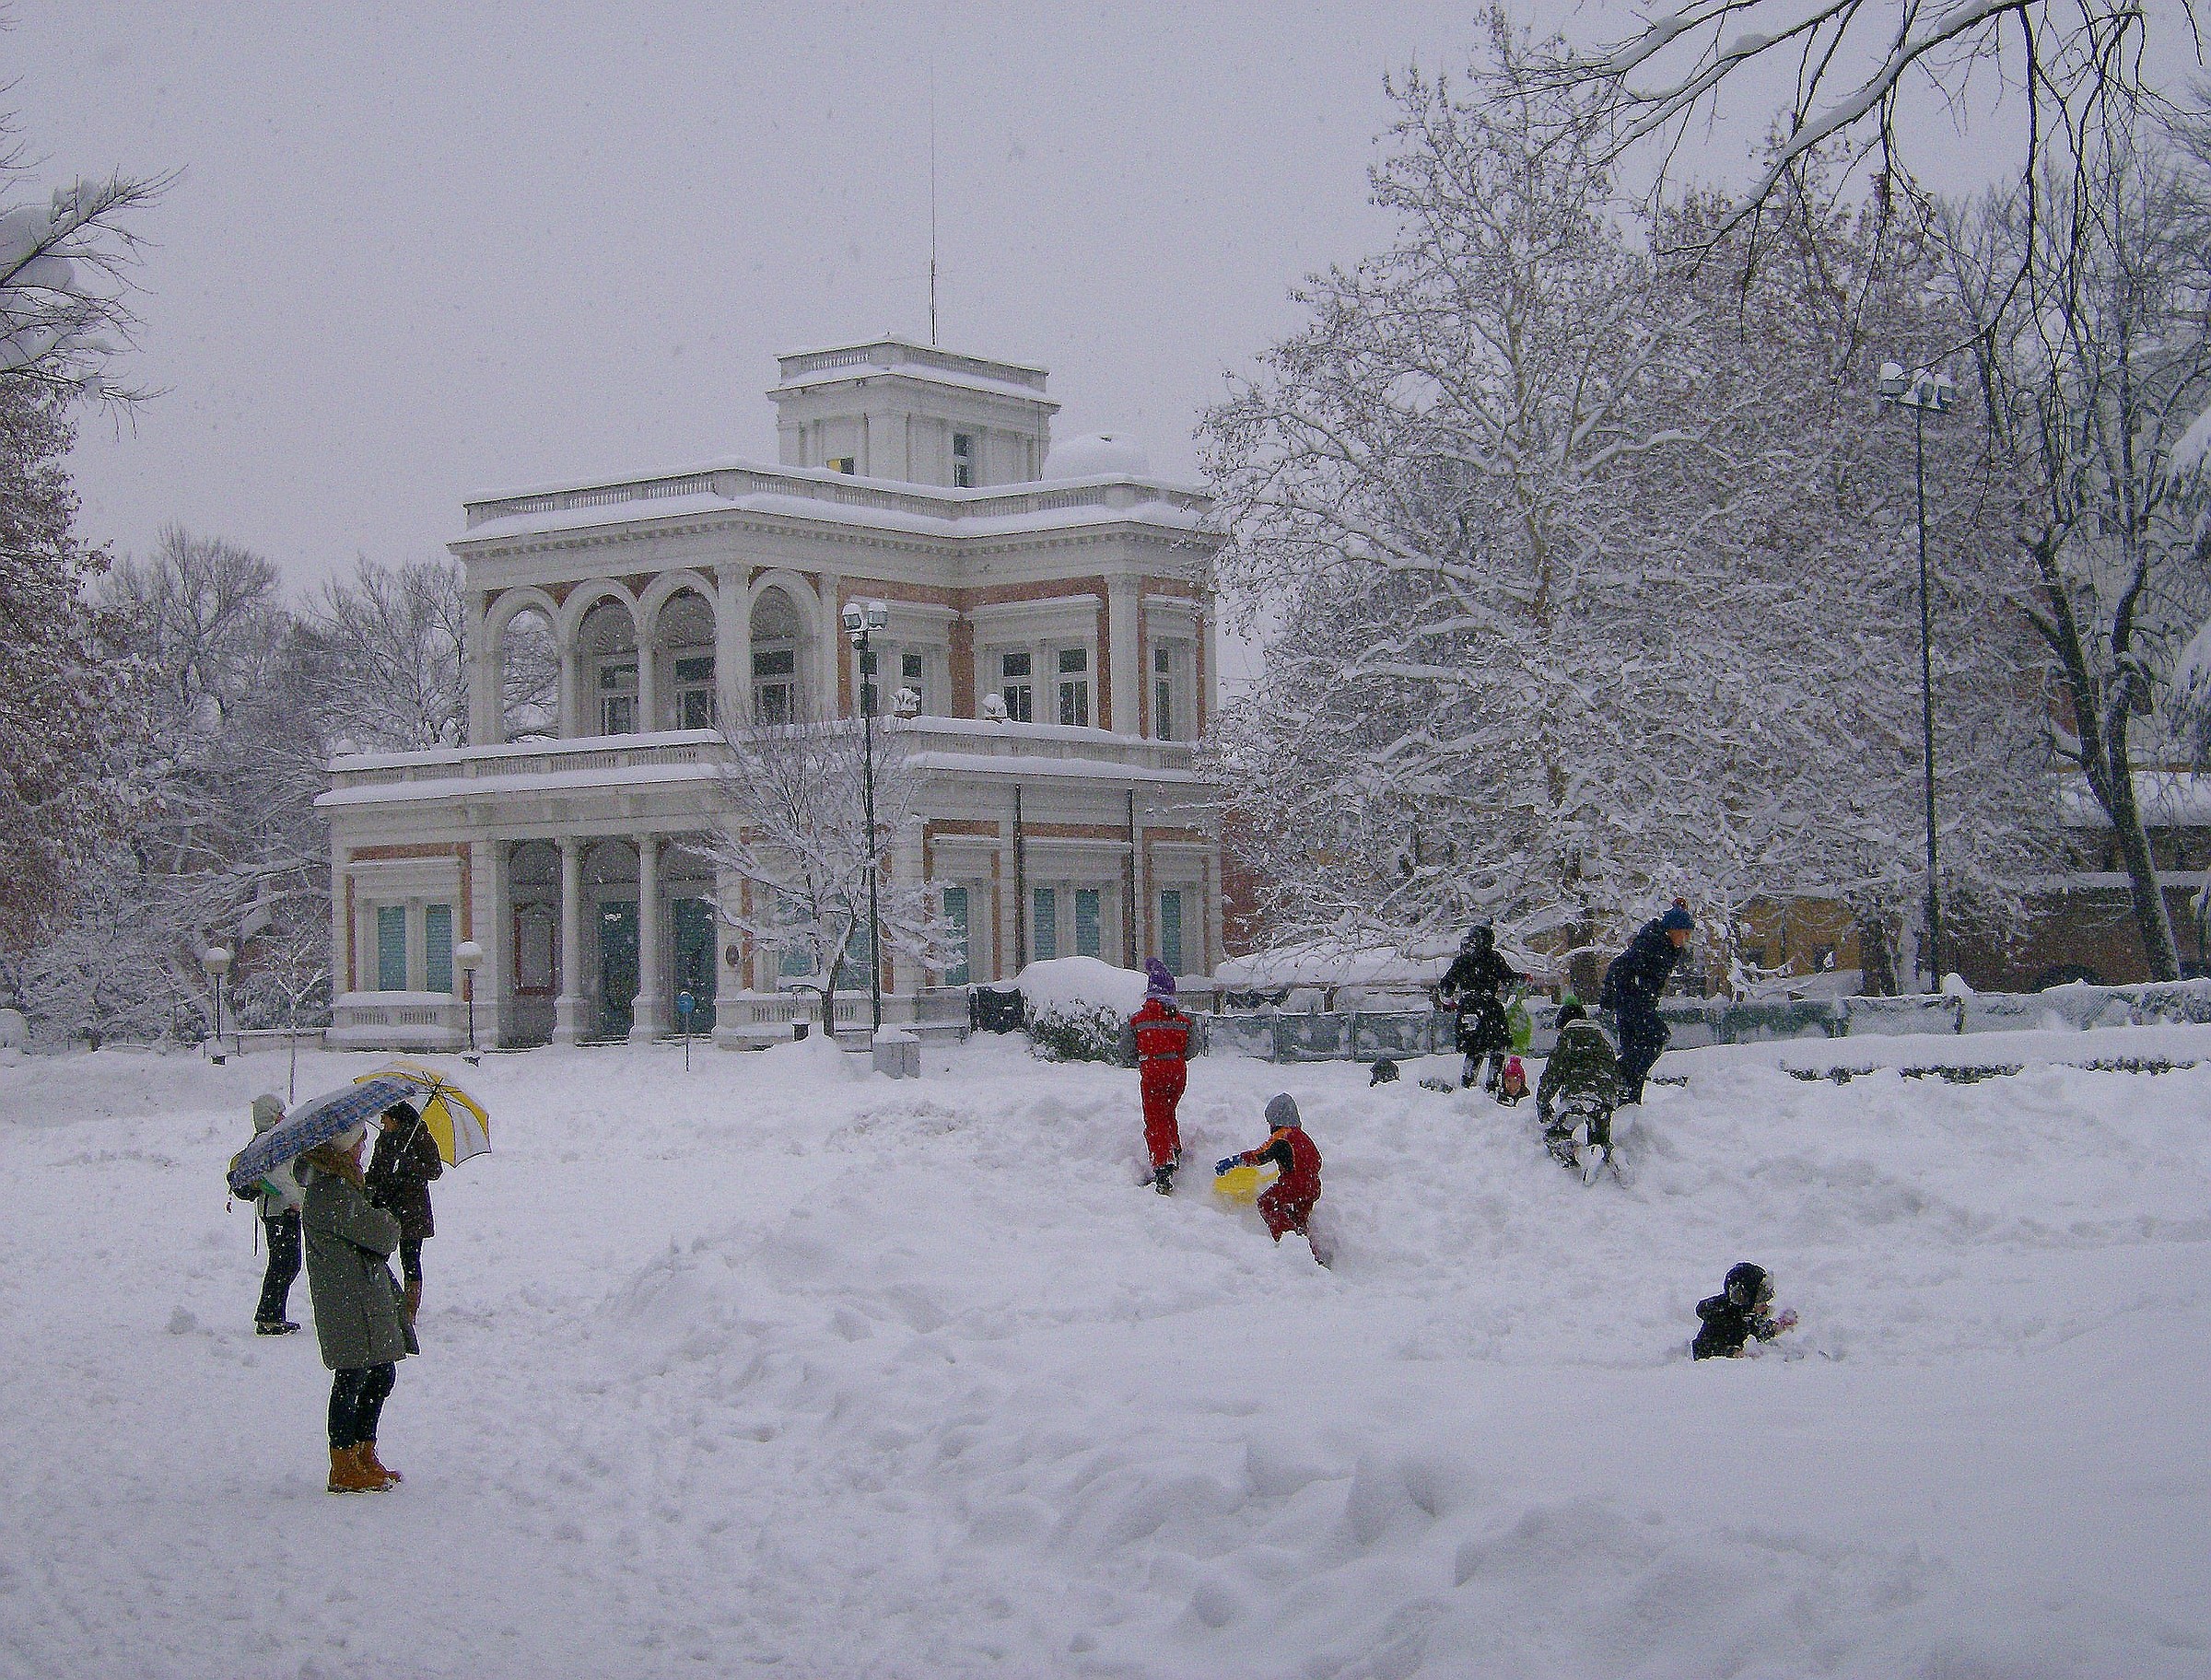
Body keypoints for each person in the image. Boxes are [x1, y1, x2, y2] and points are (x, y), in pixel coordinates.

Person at [297, 1124, 414, 1493]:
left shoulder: (341, 1187)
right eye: (359, 1141)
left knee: (379, 1374)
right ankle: (344, 1463)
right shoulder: (332, 1192)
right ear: (342, 1148)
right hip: (348, 1302)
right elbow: (382, 1235)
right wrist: (387, 1212)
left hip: (359, 1298)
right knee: (353, 1378)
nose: (364, 1146)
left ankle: (363, 1453)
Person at [1600, 901, 1694, 1105]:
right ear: (1672, 930)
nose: (1686, 938)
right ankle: (1616, 1075)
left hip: (1638, 1002)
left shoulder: (1664, 944)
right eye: (1684, 933)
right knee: (1656, 1038)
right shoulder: (1651, 944)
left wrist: (1679, 909)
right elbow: (1620, 964)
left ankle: (1629, 1100)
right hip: (1632, 1001)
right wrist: (1610, 992)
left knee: (1634, 1050)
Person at [1216, 1093, 1326, 1263]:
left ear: (1276, 1119)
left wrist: (1235, 1161)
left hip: (1294, 1185)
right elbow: (1317, 1160)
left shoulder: (1282, 1136)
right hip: (1313, 1186)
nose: (1270, 1126)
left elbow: (1260, 1156)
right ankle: (1313, 1257)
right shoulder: (1304, 1137)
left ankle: (1288, 1245)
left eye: (1270, 1122)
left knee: (1267, 1203)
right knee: (1298, 1218)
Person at [365, 1100, 443, 1329]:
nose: (382, 1121)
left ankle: (410, 1309)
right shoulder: (384, 1139)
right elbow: (376, 1169)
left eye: (386, 1117)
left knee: (410, 1259)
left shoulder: (420, 1137)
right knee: (377, 1256)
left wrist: (408, 1164)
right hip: (386, 1206)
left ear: (397, 1119)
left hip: (412, 1210)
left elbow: (434, 1170)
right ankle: (380, 1301)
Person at [1537, 1000, 1622, 1177]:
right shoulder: (1602, 1041)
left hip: (1578, 1096)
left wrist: (1542, 1102)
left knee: (1556, 1135)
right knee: (1599, 1138)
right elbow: (1614, 1072)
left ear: (1563, 1024)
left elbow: (1553, 1074)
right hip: (1604, 1099)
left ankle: (1580, 1154)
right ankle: (1614, 1158)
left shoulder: (1568, 1039)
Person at [1438, 924, 1526, 1095]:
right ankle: (1493, 1084)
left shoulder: (1462, 961)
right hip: (1489, 1008)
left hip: (1468, 1009)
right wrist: (1522, 979)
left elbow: (1447, 984)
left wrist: (1448, 1001)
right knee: (1497, 1047)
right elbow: (1508, 979)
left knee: (1473, 1049)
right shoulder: (1493, 958)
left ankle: (1467, 1084)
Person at [1130, 959, 1192, 1194]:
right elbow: (1192, 1049)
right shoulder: (1182, 1021)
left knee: (1155, 1119)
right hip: (1177, 1073)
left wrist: (1146, 1055)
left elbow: (1126, 1051)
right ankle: (1174, 1149)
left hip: (1153, 1072)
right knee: (1168, 1112)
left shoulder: (1139, 1020)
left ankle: (1163, 1167)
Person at [244, 1093, 304, 1335]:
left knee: (285, 1263)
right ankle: (269, 1317)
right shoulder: (270, 1143)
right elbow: (279, 1178)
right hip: (280, 1210)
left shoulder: (271, 1141)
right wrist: (294, 1201)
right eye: (279, 1113)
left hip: (278, 1209)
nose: (283, 1117)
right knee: (285, 1264)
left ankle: (273, 1315)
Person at [1691, 1263, 1798, 1359]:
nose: (1765, 1305)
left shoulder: (1747, 1315)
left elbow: (1758, 1332)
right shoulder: (1720, 1316)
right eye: (1760, 1300)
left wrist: (1778, 1326)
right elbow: (1700, 1350)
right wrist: (1731, 1352)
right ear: (1743, 1298)